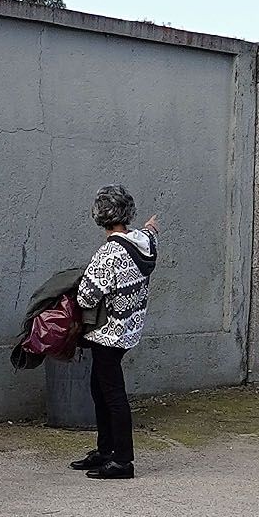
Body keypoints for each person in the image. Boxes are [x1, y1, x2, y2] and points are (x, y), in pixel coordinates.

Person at [70, 186, 159, 480]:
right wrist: (149, 227)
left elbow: (86, 298)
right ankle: (105, 450)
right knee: (100, 387)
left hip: (107, 333)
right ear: (128, 213)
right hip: (130, 328)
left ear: (99, 217)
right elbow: (150, 233)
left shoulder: (108, 254)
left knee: (112, 394)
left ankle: (122, 460)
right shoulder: (144, 242)